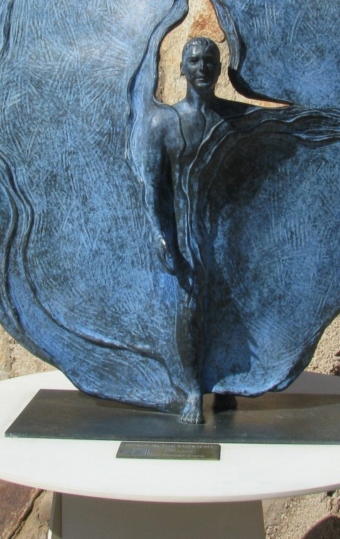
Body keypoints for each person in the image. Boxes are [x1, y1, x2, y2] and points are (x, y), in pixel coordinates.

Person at [140, 37, 248, 423]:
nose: (203, 67)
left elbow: (280, 134)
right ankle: (190, 390)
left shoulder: (234, 120)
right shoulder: (163, 122)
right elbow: (152, 186)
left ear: (219, 70)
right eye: (195, 60)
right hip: (186, 232)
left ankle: (222, 384)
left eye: (210, 61)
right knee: (190, 311)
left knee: (229, 309)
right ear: (182, 69)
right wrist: (160, 234)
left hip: (230, 231)